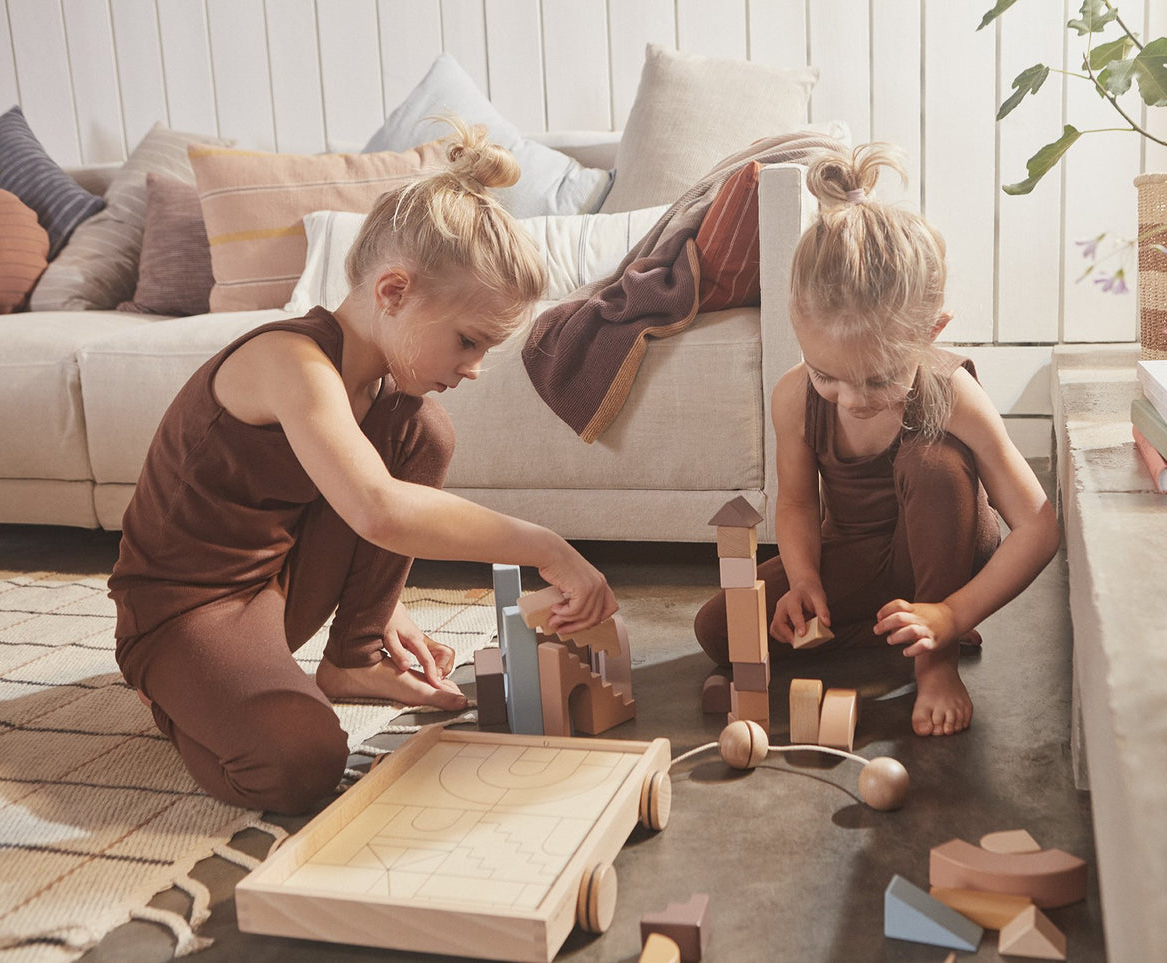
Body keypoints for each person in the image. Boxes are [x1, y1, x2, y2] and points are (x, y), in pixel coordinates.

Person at [109, 123, 616, 814]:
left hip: (273, 586)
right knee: (301, 760)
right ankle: (170, 693)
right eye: (467, 342)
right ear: (392, 292)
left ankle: (355, 653)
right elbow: (376, 509)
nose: (471, 369)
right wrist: (547, 548)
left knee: (423, 433)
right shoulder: (290, 363)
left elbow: (335, 507)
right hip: (185, 610)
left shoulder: (386, 399)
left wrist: (379, 605)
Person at [694, 143, 1060, 737]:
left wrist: (953, 609)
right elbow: (795, 503)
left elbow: (1040, 525)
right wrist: (805, 579)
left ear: (931, 332)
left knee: (933, 460)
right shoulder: (793, 397)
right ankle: (900, 627)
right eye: (826, 376)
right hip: (861, 557)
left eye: (881, 378)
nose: (853, 400)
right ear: (795, 322)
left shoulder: (950, 392)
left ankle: (935, 657)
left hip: (948, 545)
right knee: (719, 630)